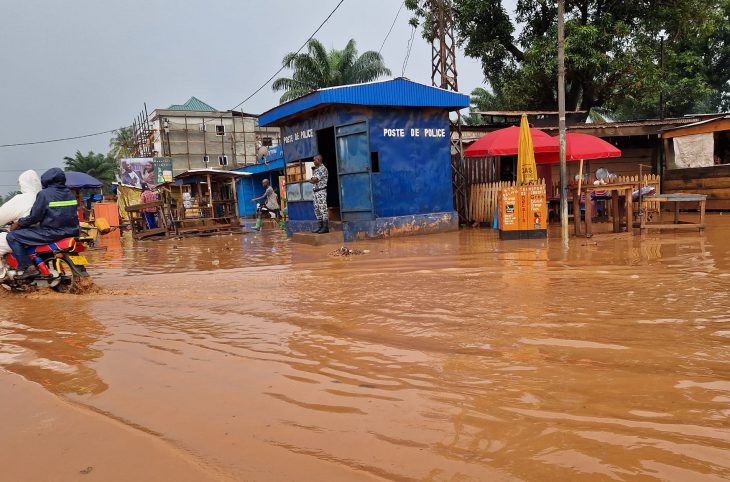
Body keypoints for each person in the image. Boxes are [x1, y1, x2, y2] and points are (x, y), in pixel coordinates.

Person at [7, 168, 80, 279]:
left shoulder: (44, 194)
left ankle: (28, 268)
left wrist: (19, 223)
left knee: (12, 237)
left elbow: (34, 217)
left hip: (52, 233)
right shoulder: (70, 193)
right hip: (72, 231)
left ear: (46, 180)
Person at [0, 170, 42, 258]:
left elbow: (1, 216)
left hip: (26, 236)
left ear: (23, 184)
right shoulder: (43, 197)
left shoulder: (22, 198)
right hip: (44, 235)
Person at [309, 154, 329, 233]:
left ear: (318, 160)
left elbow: (314, 180)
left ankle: (325, 227)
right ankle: (320, 226)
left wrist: (312, 179)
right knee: (317, 210)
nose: (313, 161)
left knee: (323, 209)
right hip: (315, 191)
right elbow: (312, 180)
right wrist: (312, 179)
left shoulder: (323, 169)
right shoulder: (316, 170)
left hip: (321, 191)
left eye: (314, 160)